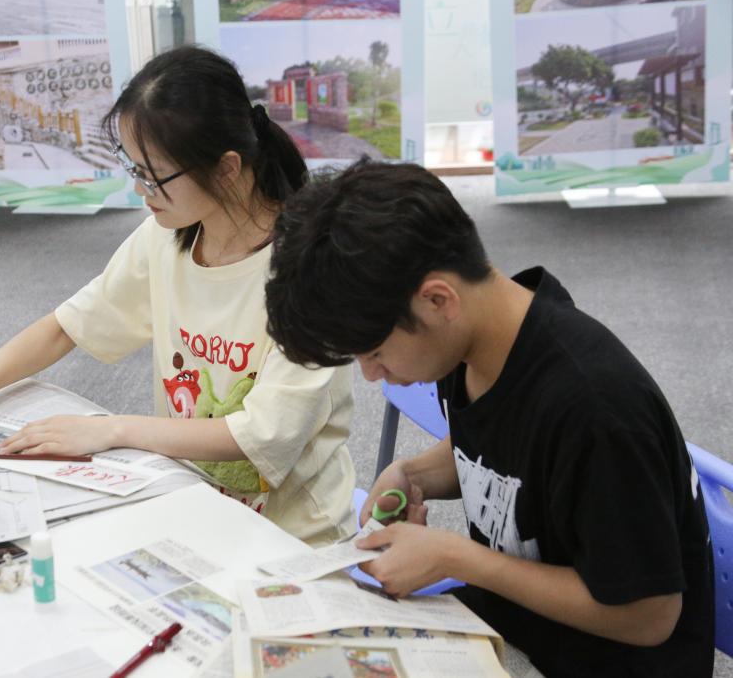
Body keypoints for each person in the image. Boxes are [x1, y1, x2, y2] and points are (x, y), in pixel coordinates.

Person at [263, 158, 713, 675]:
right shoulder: (475, 344)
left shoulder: (596, 409)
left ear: (437, 300)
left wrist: (456, 557)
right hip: (517, 628)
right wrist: (416, 473)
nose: (371, 375)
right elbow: (514, 449)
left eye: (375, 353)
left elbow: (649, 616)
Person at [0, 46, 356, 545]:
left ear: (227, 168)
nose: (141, 192)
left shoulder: (308, 267)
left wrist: (111, 429)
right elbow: (68, 325)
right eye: (133, 168)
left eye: (154, 176)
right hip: (191, 501)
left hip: (294, 534)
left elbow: (258, 434)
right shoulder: (168, 236)